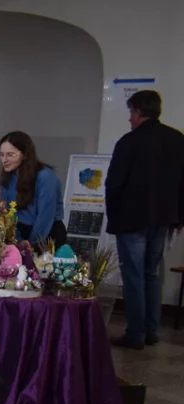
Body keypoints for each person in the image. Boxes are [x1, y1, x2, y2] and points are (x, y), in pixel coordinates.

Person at [105, 90, 184, 350]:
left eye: (131, 112)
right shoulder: (177, 139)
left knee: (134, 276)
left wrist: (114, 217)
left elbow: (114, 184)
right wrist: (179, 216)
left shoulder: (129, 142)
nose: (130, 118)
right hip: (163, 219)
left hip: (131, 219)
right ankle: (152, 330)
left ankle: (135, 333)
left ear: (138, 112)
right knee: (151, 273)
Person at [0, 131, 65, 249]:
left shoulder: (45, 176)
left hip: (46, 233)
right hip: (19, 234)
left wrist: (32, 243)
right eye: (1, 155)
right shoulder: (8, 178)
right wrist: (17, 239)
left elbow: (45, 215)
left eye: (10, 155)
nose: (4, 160)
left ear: (25, 155)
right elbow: (6, 212)